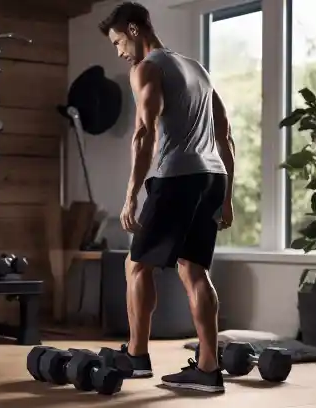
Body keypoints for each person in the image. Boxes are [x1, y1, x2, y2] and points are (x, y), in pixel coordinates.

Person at [97, 2, 236, 393]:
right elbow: (225, 134)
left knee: (136, 265)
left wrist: (130, 196)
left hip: (176, 176)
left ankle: (137, 356)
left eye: (119, 42)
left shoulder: (146, 68)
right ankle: (209, 369)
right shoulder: (198, 69)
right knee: (194, 271)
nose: (120, 52)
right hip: (212, 178)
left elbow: (145, 133)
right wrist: (227, 197)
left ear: (136, 29)